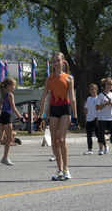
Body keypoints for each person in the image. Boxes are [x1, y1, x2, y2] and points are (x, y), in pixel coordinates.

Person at [39, 52, 77, 181]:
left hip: (65, 109)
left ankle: (66, 169)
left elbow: (72, 98)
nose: (55, 63)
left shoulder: (69, 78)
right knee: (54, 140)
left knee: (61, 139)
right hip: (54, 109)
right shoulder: (49, 79)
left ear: (63, 62)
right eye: (53, 61)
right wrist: (41, 114)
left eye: (57, 61)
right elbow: (44, 97)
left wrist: (75, 115)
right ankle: (59, 170)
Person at [96, 78, 112, 157]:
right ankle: (101, 149)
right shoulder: (100, 95)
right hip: (102, 117)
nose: (110, 86)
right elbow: (97, 107)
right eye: (109, 84)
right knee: (101, 134)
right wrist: (105, 104)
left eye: (111, 84)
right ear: (105, 85)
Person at [83, 84, 99, 155]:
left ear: (96, 90)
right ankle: (90, 149)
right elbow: (86, 109)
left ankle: (105, 145)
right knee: (89, 135)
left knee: (98, 134)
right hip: (89, 119)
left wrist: (99, 118)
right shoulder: (88, 99)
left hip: (96, 118)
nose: (92, 91)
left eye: (94, 89)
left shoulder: (99, 98)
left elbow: (100, 109)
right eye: (91, 89)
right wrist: (86, 116)